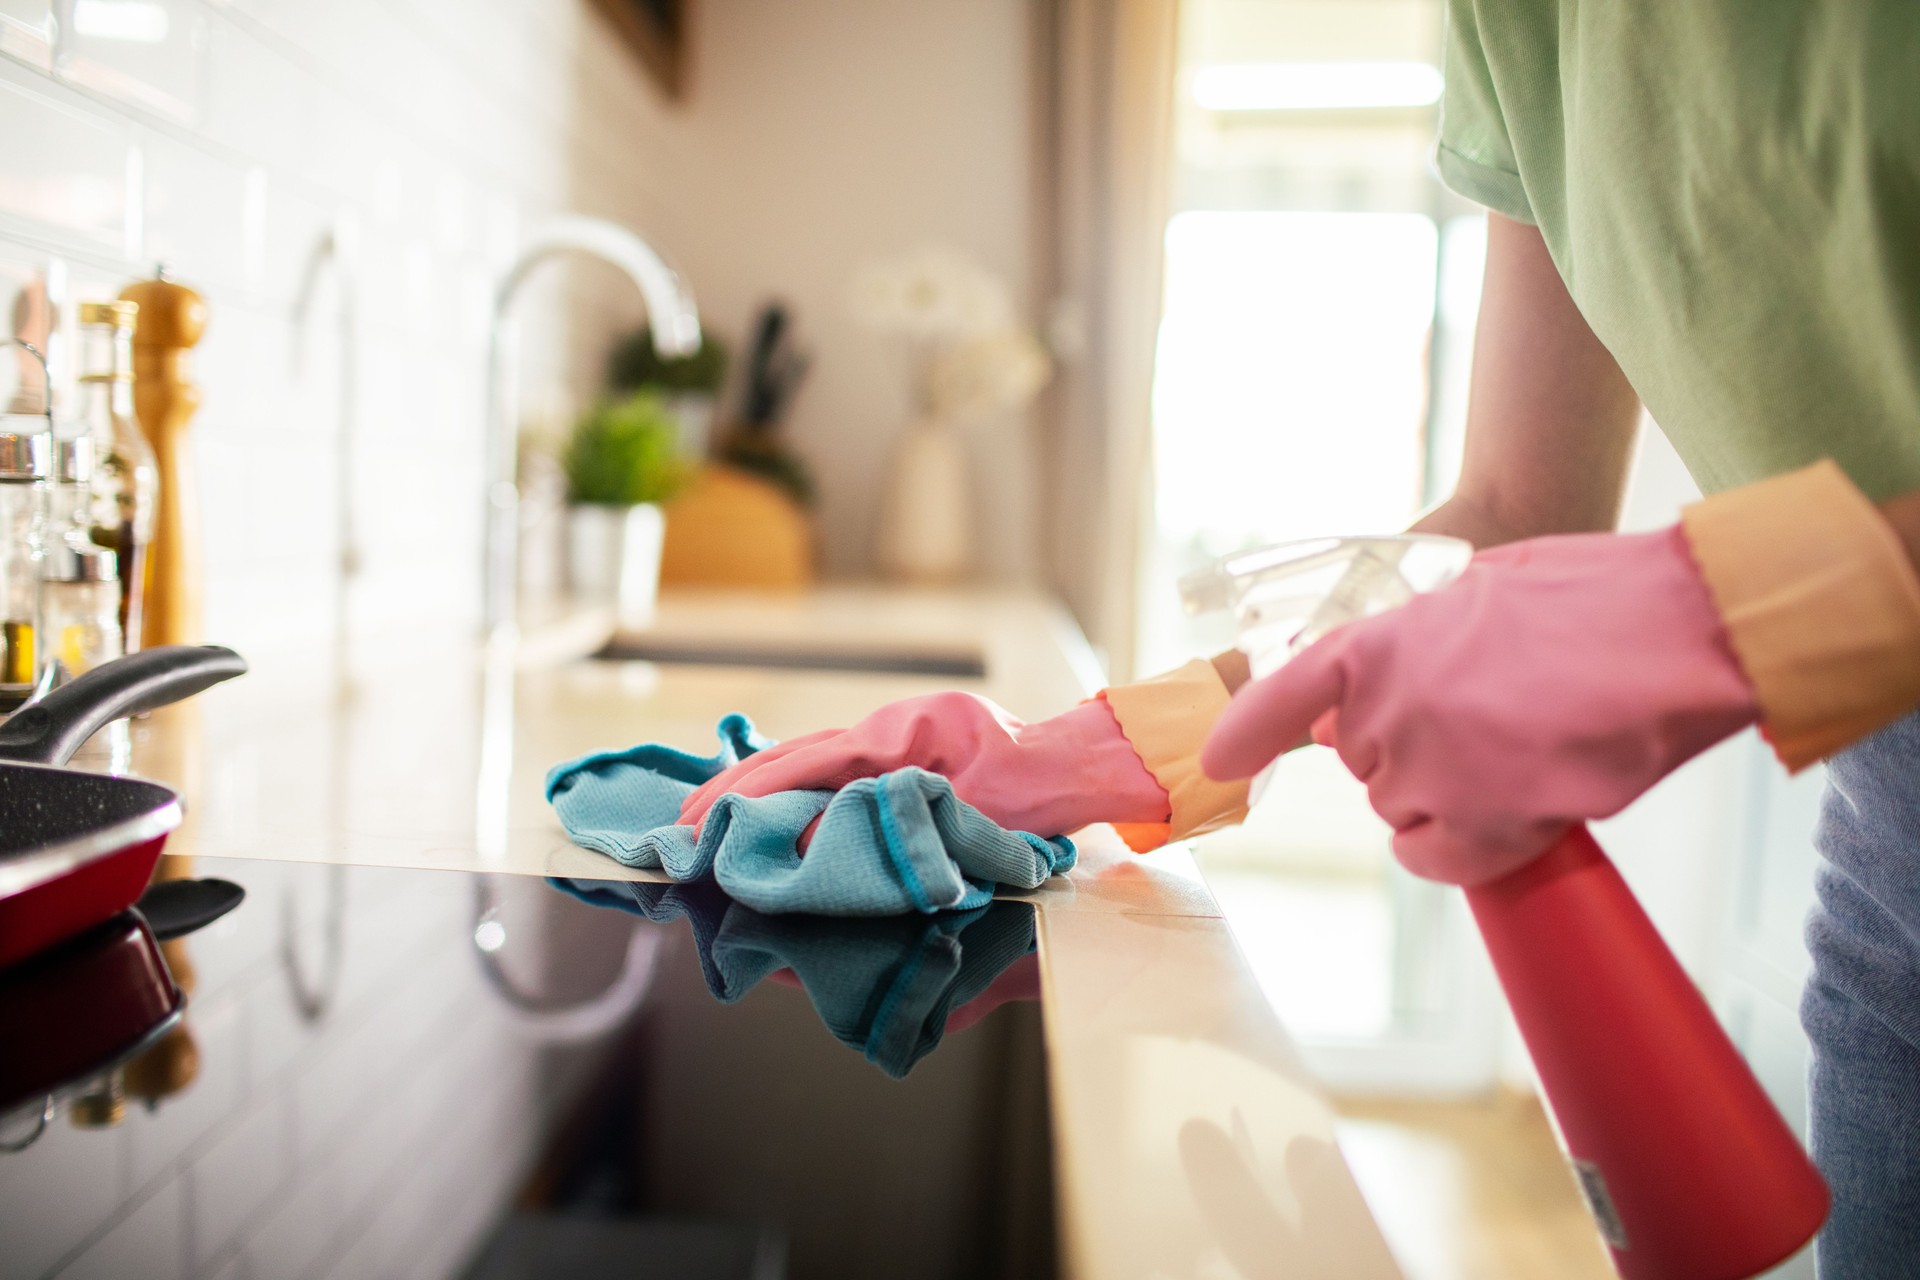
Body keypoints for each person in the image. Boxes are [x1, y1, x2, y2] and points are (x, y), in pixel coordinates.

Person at [683, 5, 1920, 1270]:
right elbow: (1508, 510)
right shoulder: (1516, 24)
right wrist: (1118, 744)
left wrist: (1753, 603)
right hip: (1893, 826)